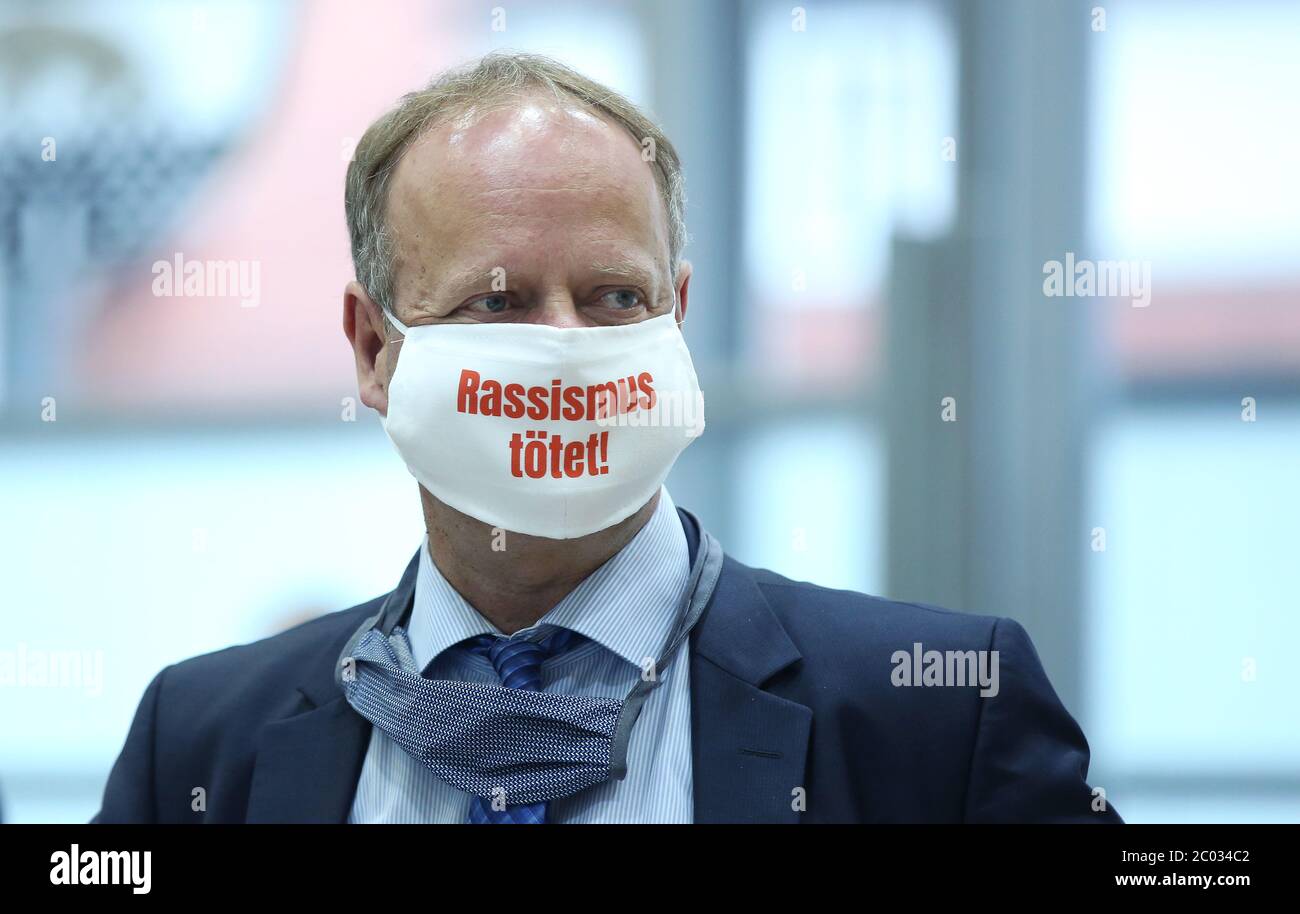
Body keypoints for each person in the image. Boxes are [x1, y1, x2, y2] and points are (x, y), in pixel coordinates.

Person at [94, 52, 1120, 824]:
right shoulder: (199, 740)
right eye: (497, 304)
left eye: (614, 296)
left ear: (676, 314)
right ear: (374, 349)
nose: (567, 348)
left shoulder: (936, 708)